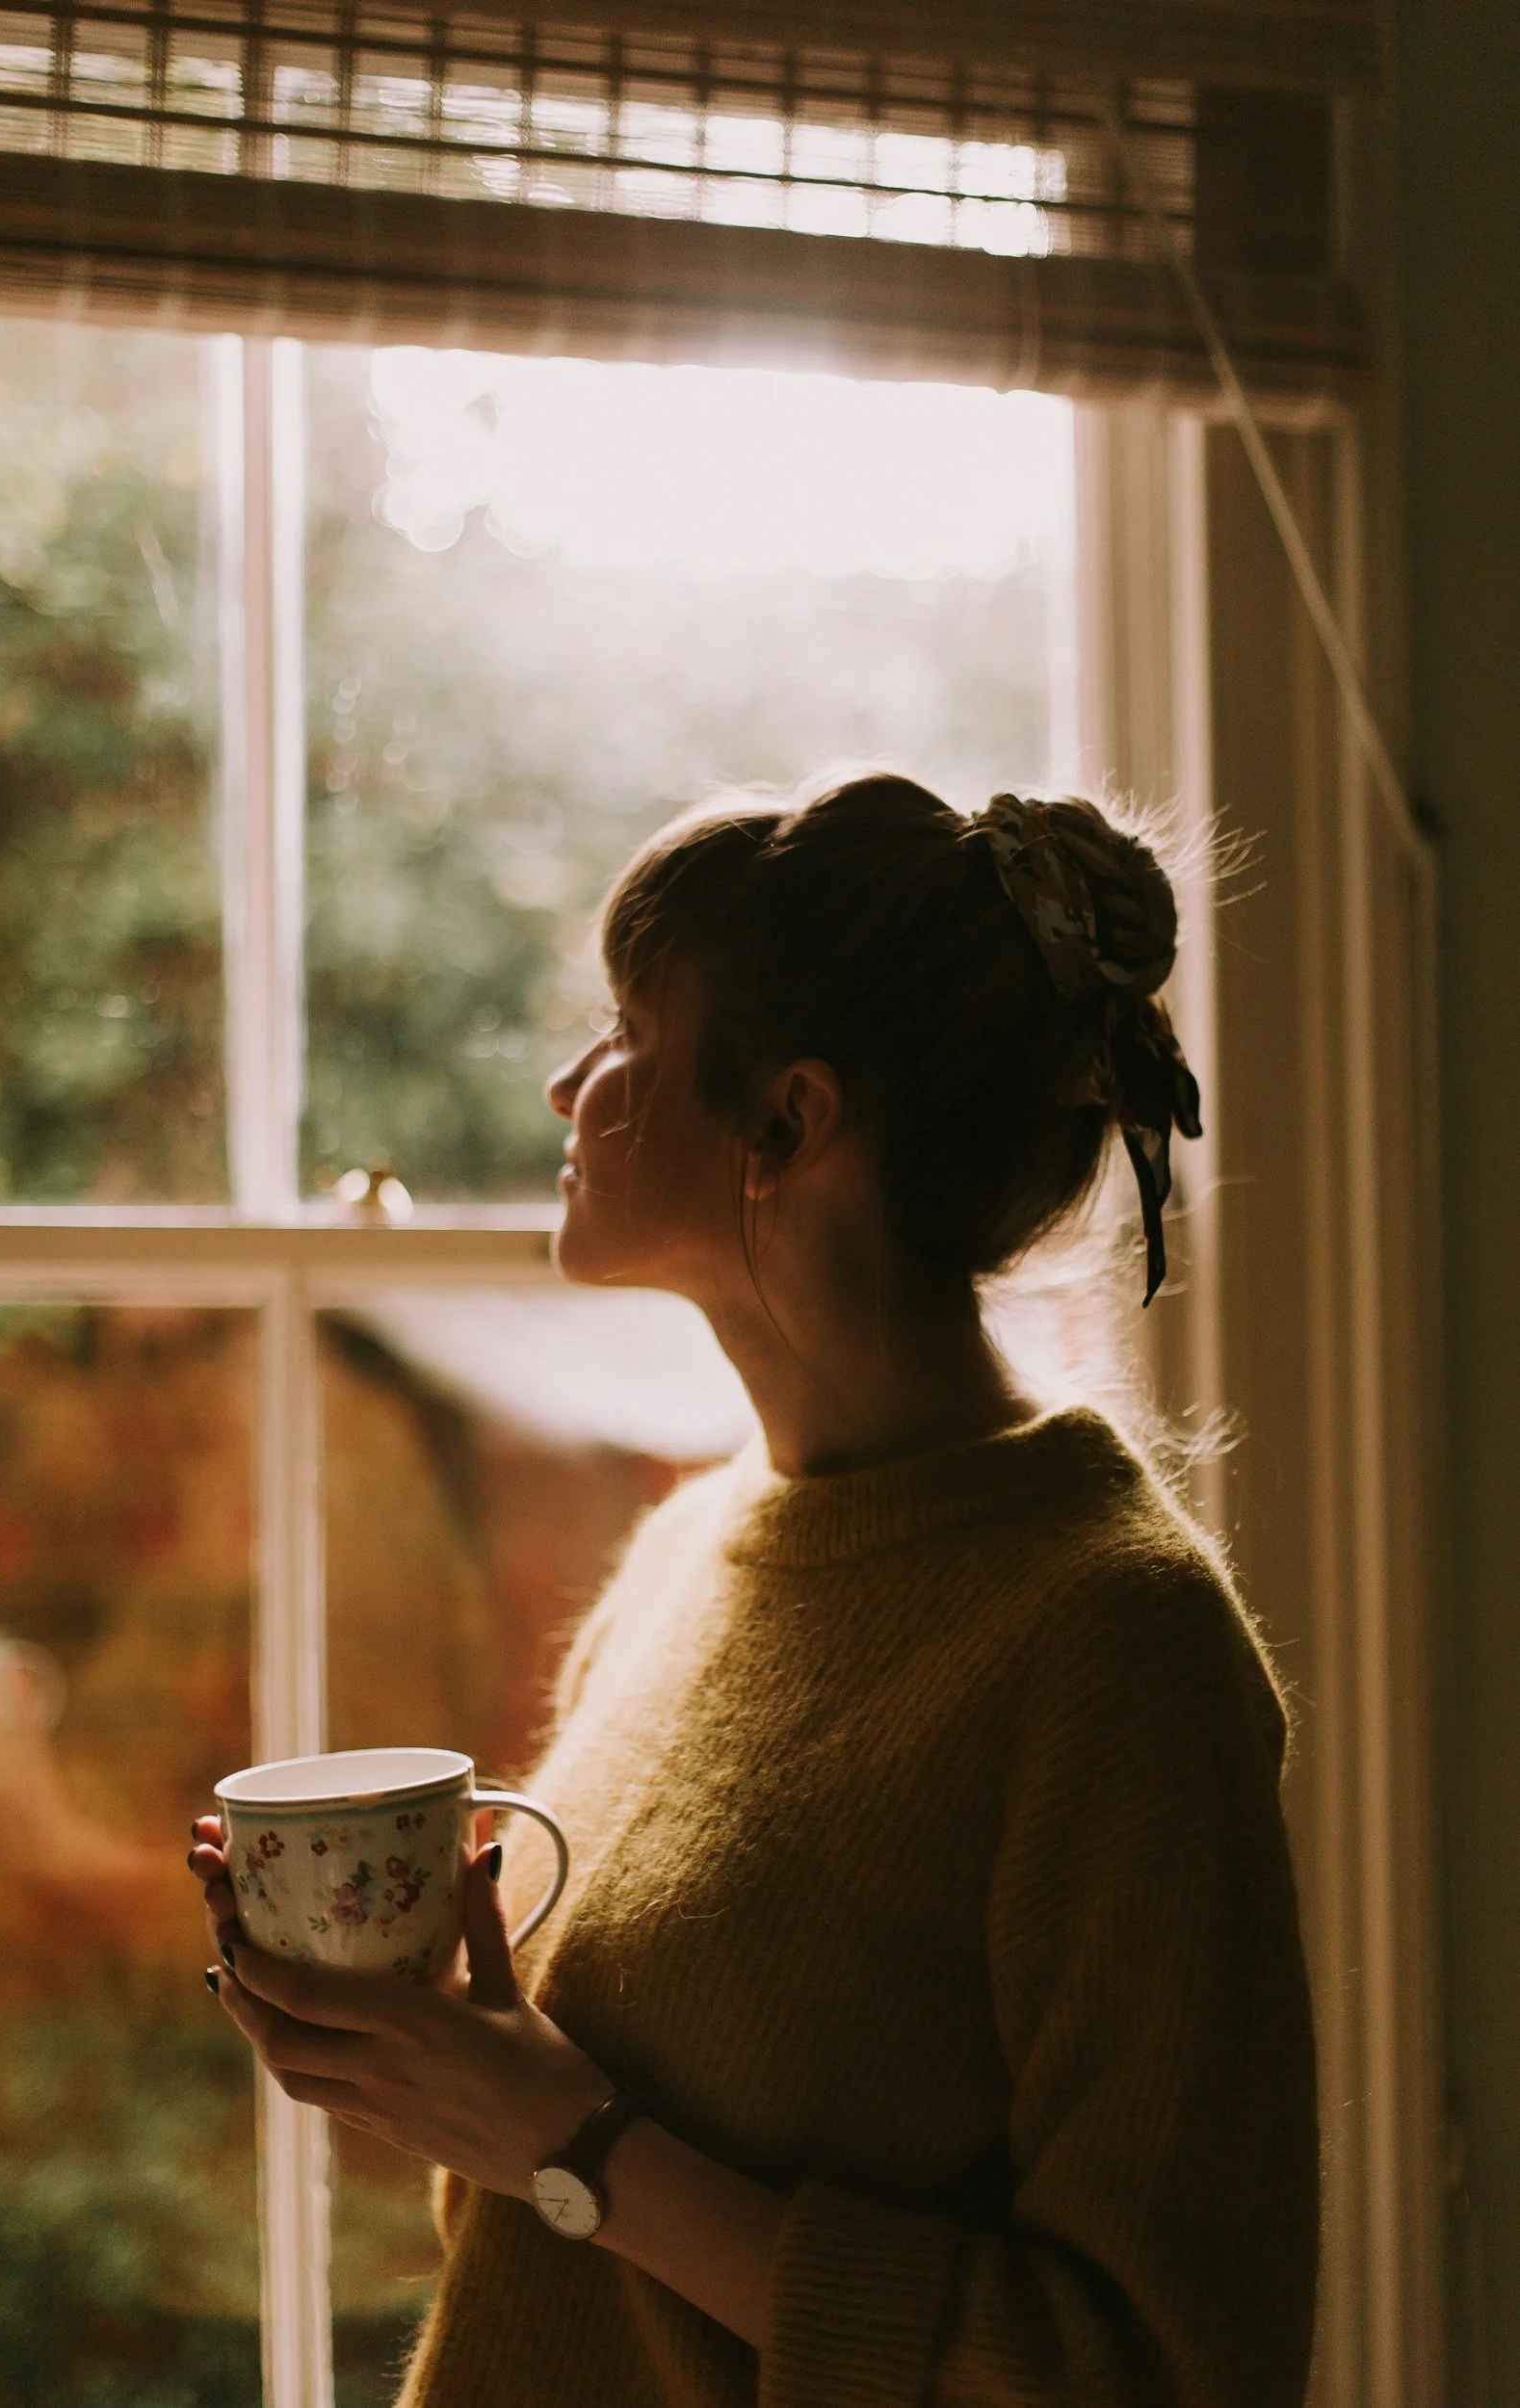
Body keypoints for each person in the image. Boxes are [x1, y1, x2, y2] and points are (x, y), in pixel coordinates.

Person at [189, 773, 1319, 2408]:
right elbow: (579, 2169)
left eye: (627, 1030)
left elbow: (1158, 2371)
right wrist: (419, 2042)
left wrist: (574, 2145)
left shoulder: (1111, 1644)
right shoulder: (694, 1549)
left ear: (787, 1123)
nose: (570, 1082)